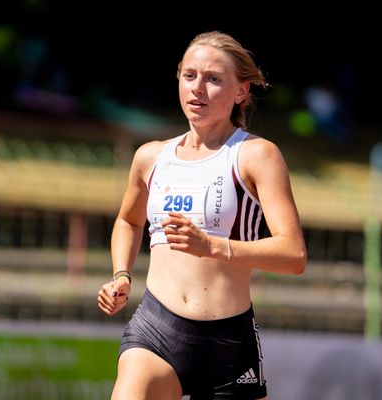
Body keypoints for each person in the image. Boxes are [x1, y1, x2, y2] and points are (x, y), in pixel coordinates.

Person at [97, 30, 307, 400]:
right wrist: (121, 275)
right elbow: (128, 221)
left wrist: (213, 246)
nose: (197, 88)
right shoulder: (151, 157)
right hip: (156, 331)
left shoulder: (256, 156)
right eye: (189, 75)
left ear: (241, 91)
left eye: (213, 79)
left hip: (228, 342)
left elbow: (294, 255)